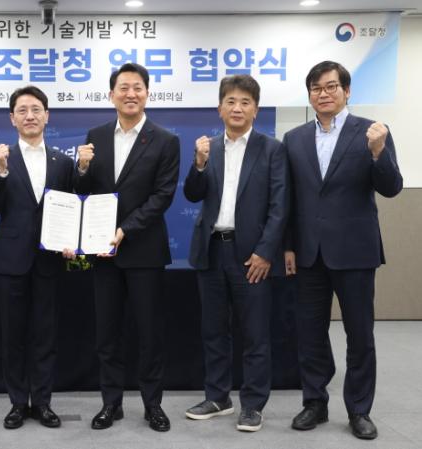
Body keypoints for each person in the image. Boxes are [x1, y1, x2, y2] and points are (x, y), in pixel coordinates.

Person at [284, 61, 403, 440]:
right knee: (310, 334)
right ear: (309, 95)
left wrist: (378, 152)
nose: (324, 94)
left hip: (354, 251)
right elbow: (289, 199)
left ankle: (359, 410)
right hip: (308, 253)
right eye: (316, 88)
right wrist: (288, 246)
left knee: (360, 335)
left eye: (331, 86)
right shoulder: (294, 138)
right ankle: (314, 403)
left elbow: (391, 187)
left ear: (347, 91)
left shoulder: (372, 132)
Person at [75, 62, 180, 432]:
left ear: (147, 93)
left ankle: (153, 405)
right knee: (107, 333)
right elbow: (84, 191)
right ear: (112, 95)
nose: (130, 93)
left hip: (144, 251)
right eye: (123, 87)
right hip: (103, 254)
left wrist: (125, 229)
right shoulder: (96, 135)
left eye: (137, 87)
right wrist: (82, 168)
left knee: (149, 334)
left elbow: (162, 196)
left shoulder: (165, 140)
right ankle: (111, 403)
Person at [183, 75, 288, 432]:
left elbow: (280, 207)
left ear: (256, 109)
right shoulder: (209, 147)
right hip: (212, 250)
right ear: (220, 108)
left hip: (251, 257)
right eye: (230, 101)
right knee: (214, 331)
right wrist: (198, 164)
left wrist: (265, 252)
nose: (237, 108)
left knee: (255, 334)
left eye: (245, 102)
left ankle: (253, 404)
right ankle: (218, 397)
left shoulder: (272, 149)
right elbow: (193, 194)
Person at [0, 85, 75, 429]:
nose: (30, 116)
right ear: (12, 118)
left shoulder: (63, 162)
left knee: (45, 336)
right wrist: (1, 171)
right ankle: (18, 403)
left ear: (47, 116)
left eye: (36, 110)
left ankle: (44, 403)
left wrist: (70, 240)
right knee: (13, 336)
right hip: (10, 261)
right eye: (22, 110)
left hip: (50, 259)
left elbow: (71, 207)